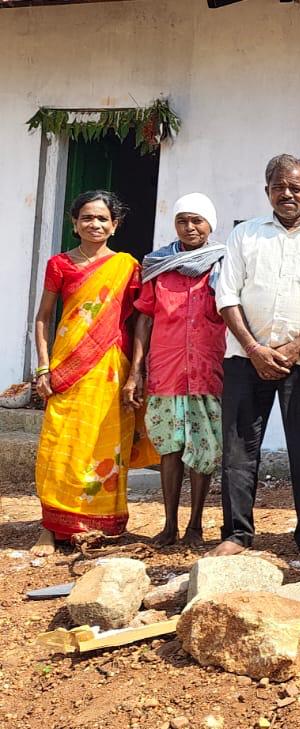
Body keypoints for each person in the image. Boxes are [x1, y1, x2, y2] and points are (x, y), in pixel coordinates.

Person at [210, 155, 300, 569]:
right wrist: (255, 349)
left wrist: (292, 349)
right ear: (267, 190)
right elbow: (227, 295)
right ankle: (237, 533)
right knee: (238, 450)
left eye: (295, 187)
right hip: (245, 359)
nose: (286, 194)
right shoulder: (245, 236)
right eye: (278, 186)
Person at [31, 190, 157, 555]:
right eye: (87, 217)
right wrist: (43, 366)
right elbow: (43, 318)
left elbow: (138, 322)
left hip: (108, 369)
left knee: (103, 445)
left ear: (114, 226)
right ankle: (51, 526)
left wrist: (137, 371)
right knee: (59, 446)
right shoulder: (60, 264)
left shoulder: (126, 267)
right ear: (74, 223)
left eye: (103, 218)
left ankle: (99, 526)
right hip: (66, 367)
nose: (95, 224)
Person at [123, 193, 227, 548]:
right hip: (166, 370)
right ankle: (169, 524)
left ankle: (195, 525)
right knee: (170, 447)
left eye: (197, 220)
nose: (190, 227)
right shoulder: (157, 266)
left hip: (207, 369)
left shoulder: (222, 263)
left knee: (204, 447)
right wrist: (136, 370)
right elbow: (145, 318)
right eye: (183, 220)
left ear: (210, 224)